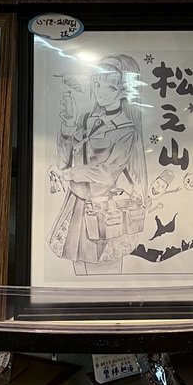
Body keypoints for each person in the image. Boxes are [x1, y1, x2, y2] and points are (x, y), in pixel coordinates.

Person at [47, 55, 148, 275]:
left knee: (105, 272)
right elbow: (64, 160)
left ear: (124, 90)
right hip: (77, 204)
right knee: (79, 269)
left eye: (110, 87)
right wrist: (68, 124)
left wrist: (69, 174)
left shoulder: (126, 130)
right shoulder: (86, 120)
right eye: (98, 83)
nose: (101, 91)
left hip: (106, 209)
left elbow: (107, 173)